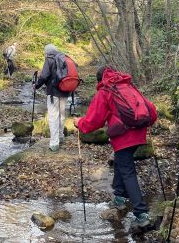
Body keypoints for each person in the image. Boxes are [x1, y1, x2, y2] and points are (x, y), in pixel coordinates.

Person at [73, 65, 157, 228]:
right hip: (139, 133)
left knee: (128, 171)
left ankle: (141, 214)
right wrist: (148, 124)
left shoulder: (106, 91)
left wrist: (80, 124)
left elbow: (94, 120)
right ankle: (119, 197)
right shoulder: (128, 85)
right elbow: (150, 110)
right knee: (120, 160)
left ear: (100, 80)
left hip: (124, 136)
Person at [34, 44, 70, 151]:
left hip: (53, 93)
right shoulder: (64, 58)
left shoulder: (49, 59)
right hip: (65, 91)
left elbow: (44, 76)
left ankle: (54, 143)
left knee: (53, 117)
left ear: (47, 52)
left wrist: (36, 85)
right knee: (61, 115)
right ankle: (60, 136)